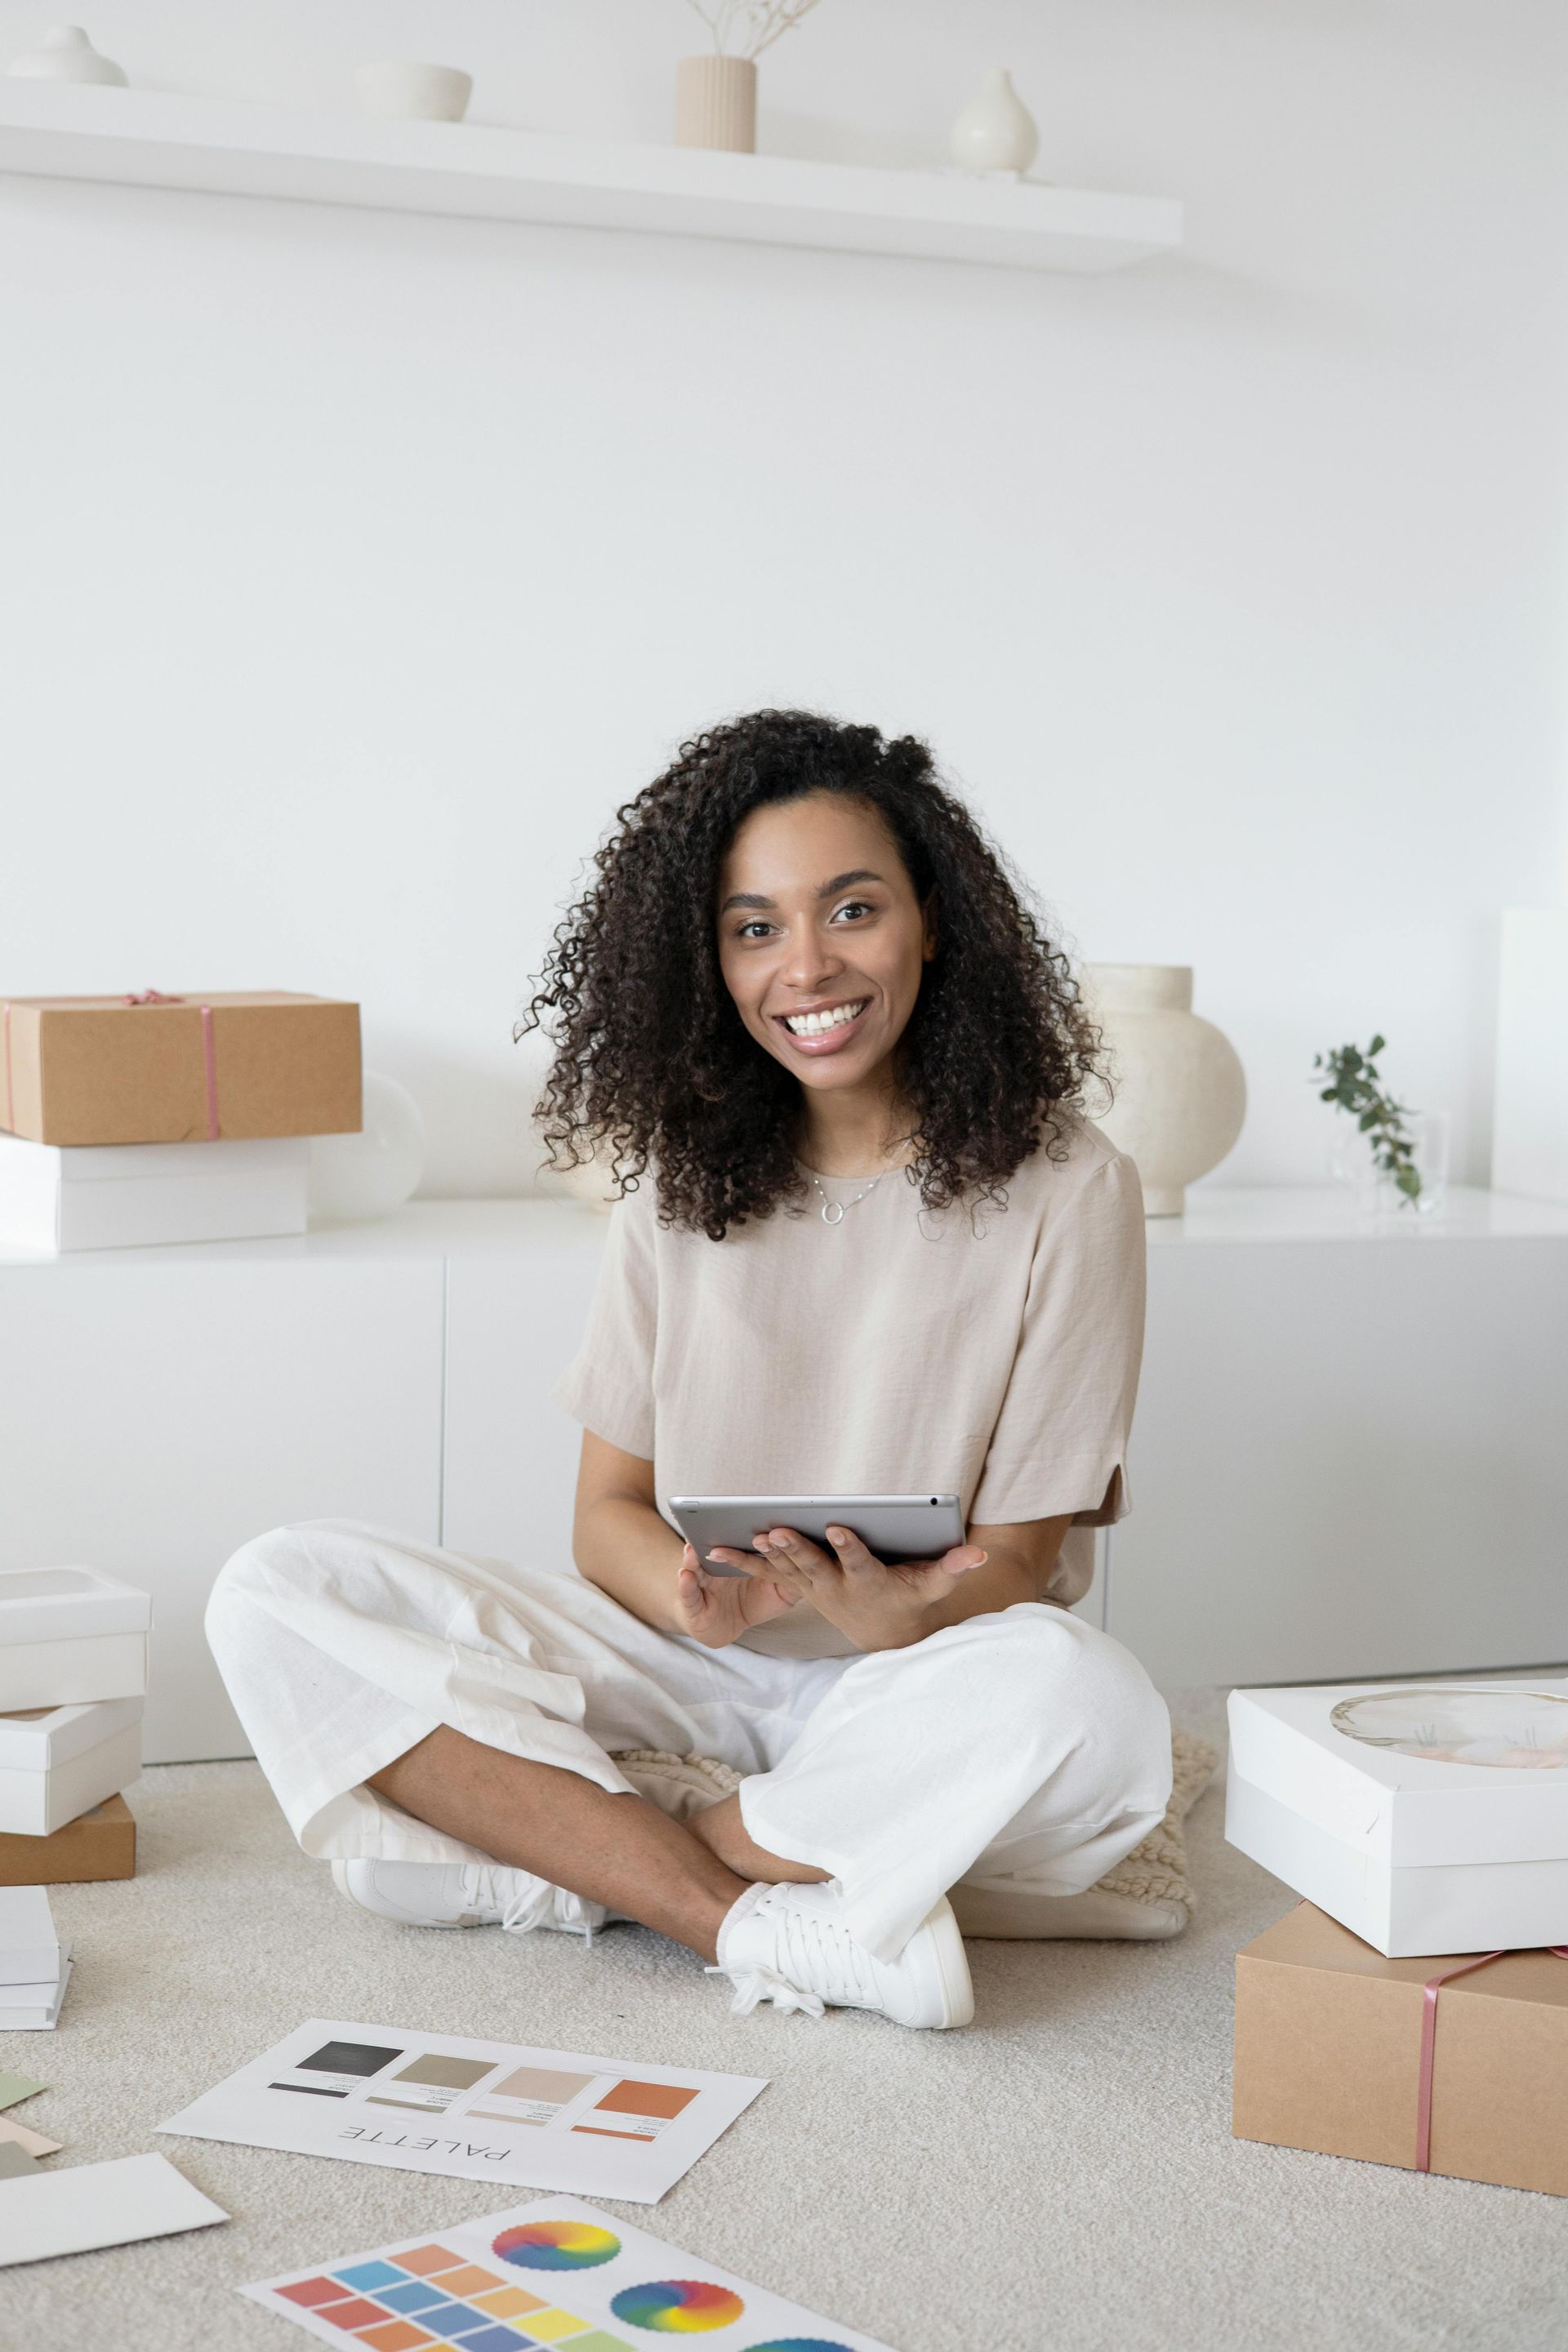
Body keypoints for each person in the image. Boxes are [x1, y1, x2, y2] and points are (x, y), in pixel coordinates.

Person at [207, 710, 1171, 2031]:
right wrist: (688, 1592)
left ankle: (615, 1845)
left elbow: (1015, 1559)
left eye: (852, 910)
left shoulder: (1070, 1186)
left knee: (1092, 1703)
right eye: (754, 927)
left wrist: (900, 1619)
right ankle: (758, 1912)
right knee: (275, 1588)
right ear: (708, 959)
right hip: (691, 1660)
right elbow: (604, 1514)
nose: (807, 966)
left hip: (917, 1677)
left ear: (933, 922)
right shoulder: (676, 1184)